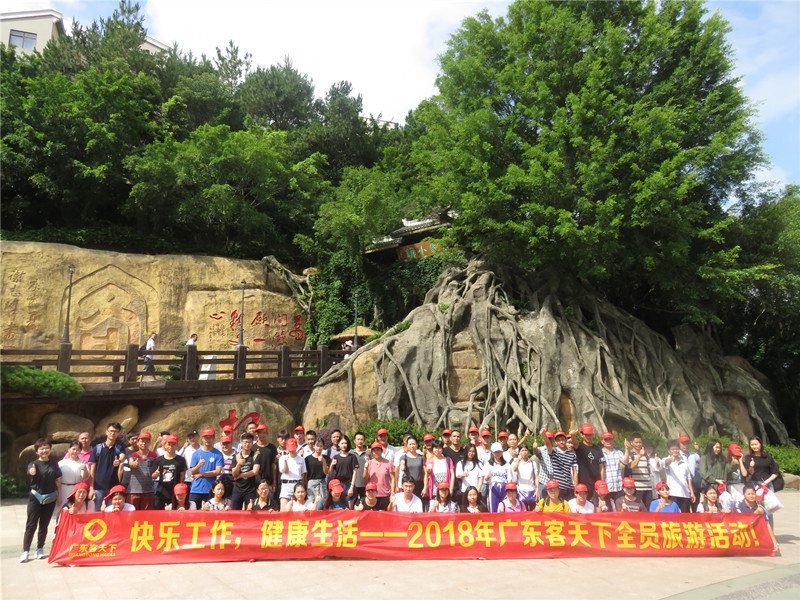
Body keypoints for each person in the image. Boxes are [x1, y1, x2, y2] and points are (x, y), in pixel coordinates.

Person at [20, 438, 62, 563]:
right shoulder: (33, 464)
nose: (44, 450)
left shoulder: (54, 464)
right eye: (41, 449)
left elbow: (58, 481)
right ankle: (25, 551)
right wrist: (32, 471)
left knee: (44, 524)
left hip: (50, 497)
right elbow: (30, 471)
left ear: (50, 449)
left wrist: (59, 496)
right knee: (31, 524)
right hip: (36, 496)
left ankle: (40, 549)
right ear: (37, 451)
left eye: (46, 448)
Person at [88, 422, 126, 511]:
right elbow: (92, 469)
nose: (113, 433)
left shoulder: (119, 448)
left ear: (119, 433)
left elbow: (122, 456)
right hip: (98, 487)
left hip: (113, 488)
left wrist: (119, 461)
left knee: (112, 512)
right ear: (106, 432)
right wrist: (91, 487)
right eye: (111, 431)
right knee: (96, 511)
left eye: (115, 431)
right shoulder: (97, 448)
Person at [118, 431, 156, 510]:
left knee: (147, 514)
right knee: (132, 513)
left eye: (146, 441)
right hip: (133, 490)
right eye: (142, 441)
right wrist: (133, 464)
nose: (144, 443)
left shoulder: (154, 455)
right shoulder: (132, 455)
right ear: (138, 442)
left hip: (148, 490)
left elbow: (155, 471)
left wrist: (155, 474)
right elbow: (130, 462)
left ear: (149, 442)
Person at [737, 483, 779, 554]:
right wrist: (756, 513)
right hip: (741, 533)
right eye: (748, 494)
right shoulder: (738, 505)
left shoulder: (760, 508)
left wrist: (775, 543)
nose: (751, 496)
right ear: (744, 495)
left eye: (753, 494)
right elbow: (742, 522)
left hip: (754, 533)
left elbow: (767, 525)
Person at [189, 428, 224, 506]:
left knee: (210, 511)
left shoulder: (218, 454)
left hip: (210, 490)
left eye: (210, 437)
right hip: (196, 489)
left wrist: (201, 474)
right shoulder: (196, 454)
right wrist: (199, 465)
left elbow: (217, 471)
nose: (208, 440)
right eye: (205, 438)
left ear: (214, 438)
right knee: (193, 511)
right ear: (202, 439)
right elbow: (192, 471)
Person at [151, 434, 187, 509]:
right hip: (161, 492)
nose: (171, 447)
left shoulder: (181, 460)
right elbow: (152, 476)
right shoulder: (159, 460)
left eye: (173, 444)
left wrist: (180, 490)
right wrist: (155, 475)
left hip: (175, 493)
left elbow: (182, 476)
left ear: (177, 445)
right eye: (169, 444)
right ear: (165, 445)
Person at [661, 439, 695, 512]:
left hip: (685, 494)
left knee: (685, 516)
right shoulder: (665, 459)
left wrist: (692, 492)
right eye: (672, 449)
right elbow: (666, 463)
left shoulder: (684, 462)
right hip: (673, 494)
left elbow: (688, 478)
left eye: (676, 449)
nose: (675, 451)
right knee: (673, 515)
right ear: (669, 451)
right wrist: (671, 459)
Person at [543, 430, 577, 500]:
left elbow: (575, 472)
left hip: (569, 487)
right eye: (558, 440)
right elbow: (548, 444)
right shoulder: (553, 451)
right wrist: (543, 434)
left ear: (566, 440)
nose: (561, 442)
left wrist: (576, 487)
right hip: (557, 487)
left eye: (562, 440)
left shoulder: (572, 454)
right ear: (555, 442)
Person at [231, 432, 260, 510]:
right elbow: (234, 474)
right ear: (241, 443)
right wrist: (238, 464)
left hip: (250, 490)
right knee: (235, 512)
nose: (247, 444)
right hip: (237, 489)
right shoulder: (236, 457)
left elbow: (255, 471)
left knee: (251, 512)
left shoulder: (255, 455)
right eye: (245, 442)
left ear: (252, 443)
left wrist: (241, 475)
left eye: (249, 442)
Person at [58, 440, 90, 508]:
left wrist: (84, 469)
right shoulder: (62, 463)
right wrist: (59, 494)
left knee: (74, 508)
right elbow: (58, 479)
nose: (75, 451)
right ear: (69, 449)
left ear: (80, 451)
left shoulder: (83, 462)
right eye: (73, 449)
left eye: (77, 450)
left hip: (77, 490)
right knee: (61, 508)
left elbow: (85, 478)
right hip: (64, 488)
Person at [363, 441, 395, 510]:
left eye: (378, 450)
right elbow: (365, 478)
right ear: (372, 452)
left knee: (385, 513)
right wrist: (365, 468)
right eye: (374, 451)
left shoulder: (389, 463)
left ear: (381, 451)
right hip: (372, 495)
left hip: (385, 494)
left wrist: (392, 491)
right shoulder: (369, 463)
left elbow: (392, 478)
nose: (376, 452)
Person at [623, 433, 653, 504]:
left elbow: (648, 469)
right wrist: (639, 456)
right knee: (637, 508)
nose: (638, 444)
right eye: (636, 442)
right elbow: (631, 466)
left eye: (640, 442)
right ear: (631, 443)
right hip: (637, 487)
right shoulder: (630, 454)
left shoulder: (645, 455)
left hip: (648, 486)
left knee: (648, 508)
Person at [278, 437, 307, 510]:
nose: (291, 451)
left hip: (297, 485)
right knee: (284, 509)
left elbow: (303, 474)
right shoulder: (282, 458)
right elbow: (285, 471)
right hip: (286, 485)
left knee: (297, 509)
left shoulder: (301, 459)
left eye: (293, 449)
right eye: (290, 449)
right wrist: (285, 462)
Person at [485, 442, 514, 512]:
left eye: (499, 451)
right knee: (494, 509)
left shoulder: (506, 464)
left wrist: (509, 492)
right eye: (496, 452)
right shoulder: (488, 464)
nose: (498, 453)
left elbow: (509, 479)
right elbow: (485, 479)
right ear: (492, 452)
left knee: (505, 508)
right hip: (493, 489)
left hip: (504, 488)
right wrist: (488, 476)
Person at [329, 436, 358, 501]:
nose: (344, 445)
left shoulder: (352, 457)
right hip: (338, 484)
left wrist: (351, 487)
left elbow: (355, 472)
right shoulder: (336, 457)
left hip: (349, 483)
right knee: (340, 503)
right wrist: (332, 465)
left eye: (345, 443)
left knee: (350, 504)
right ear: (338, 444)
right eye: (342, 443)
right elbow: (330, 473)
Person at [398, 435, 425, 499]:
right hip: (408, 486)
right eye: (410, 444)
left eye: (413, 444)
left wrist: (425, 487)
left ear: (417, 445)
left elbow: (425, 473)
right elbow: (402, 463)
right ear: (406, 445)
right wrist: (402, 465)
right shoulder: (403, 457)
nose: (412, 446)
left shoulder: (421, 457)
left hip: (419, 485)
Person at [599, 431, 624, 499]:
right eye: (606, 440)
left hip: (618, 486)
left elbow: (626, 462)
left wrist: (627, 449)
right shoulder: (600, 453)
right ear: (602, 441)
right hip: (607, 486)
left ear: (613, 441)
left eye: (610, 439)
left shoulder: (618, 453)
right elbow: (601, 469)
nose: (608, 441)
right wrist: (602, 485)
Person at [304, 438, 329, 507]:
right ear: (314, 446)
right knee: (311, 503)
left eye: (321, 446)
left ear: (323, 447)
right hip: (311, 483)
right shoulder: (308, 459)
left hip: (322, 482)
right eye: (317, 446)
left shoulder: (326, 458)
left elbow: (326, 472)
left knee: (322, 503)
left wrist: (323, 461)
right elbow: (305, 473)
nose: (319, 448)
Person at [512, 444, 538, 509]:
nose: (524, 452)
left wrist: (537, 490)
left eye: (525, 450)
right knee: (522, 510)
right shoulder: (517, 462)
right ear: (519, 452)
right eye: (522, 450)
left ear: (528, 451)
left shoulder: (533, 463)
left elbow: (536, 477)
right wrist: (518, 461)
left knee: (533, 510)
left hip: (531, 490)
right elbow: (514, 469)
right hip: (521, 491)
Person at [352, 431, 369, 505]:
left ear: (364, 441)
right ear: (354, 441)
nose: (360, 441)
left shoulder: (368, 453)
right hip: (353, 484)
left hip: (365, 484)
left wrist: (370, 455)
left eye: (361, 439)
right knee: (353, 505)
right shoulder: (351, 453)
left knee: (364, 505)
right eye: (358, 439)